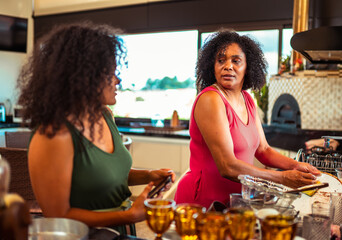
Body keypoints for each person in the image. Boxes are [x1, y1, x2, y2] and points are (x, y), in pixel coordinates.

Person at [17, 22, 175, 236]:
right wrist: (128, 216)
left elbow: (106, 175)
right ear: (83, 76)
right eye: (110, 73)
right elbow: (58, 215)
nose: (118, 80)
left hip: (118, 232)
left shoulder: (105, 116)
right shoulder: (54, 134)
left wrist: (148, 175)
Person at [174, 29, 321, 209]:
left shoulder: (248, 100)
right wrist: (282, 177)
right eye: (221, 60)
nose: (228, 66)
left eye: (236, 61)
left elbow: (264, 149)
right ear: (212, 66)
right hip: (203, 203)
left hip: (237, 200)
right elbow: (227, 166)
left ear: (247, 67)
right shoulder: (210, 99)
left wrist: (297, 165)